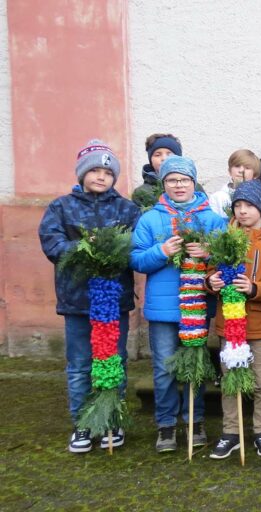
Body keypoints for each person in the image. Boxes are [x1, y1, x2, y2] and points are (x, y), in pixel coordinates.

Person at [39, 140, 140, 453]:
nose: (101, 176)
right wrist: (85, 249)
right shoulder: (61, 207)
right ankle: (82, 424)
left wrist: (114, 251)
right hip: (77, 301)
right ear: (82, 173)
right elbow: (52, 244)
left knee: (113, 362)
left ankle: (111, 419)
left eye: (107, 173)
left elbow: (136, 247)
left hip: (113, 302)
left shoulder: (127, 209)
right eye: (95, 170)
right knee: (81, 365)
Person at [130, 155, 227, 452]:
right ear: (164, 184)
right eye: (172, 180)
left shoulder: (212, 219)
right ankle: (166, 424)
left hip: (196, 306)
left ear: (193, 182)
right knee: (164, 369)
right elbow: (136, 259)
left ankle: (195, 420)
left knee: (195, 365)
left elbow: (229, 258)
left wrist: (209, 252)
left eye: (184, 179)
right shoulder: (150, 219)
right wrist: (161, 251)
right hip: (162, 310)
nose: (179, 185)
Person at [207, 180, 261, 458]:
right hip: (229, 324)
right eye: (238, 206)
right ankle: (231, 432)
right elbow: (210, 272)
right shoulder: (224, 238)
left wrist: (255, 288)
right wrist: (211, 282)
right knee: (230, 379)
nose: (242, 211)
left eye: (249, 205)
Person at [208, 149, 261, 219]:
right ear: (230, 171)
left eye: (247, 168)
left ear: (255, 174)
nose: (241, 170)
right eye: (237, 166)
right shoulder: (217, 197)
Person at [132, 133, 183, 208]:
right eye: (157, 155)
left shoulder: (193, 187)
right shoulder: (142, 193)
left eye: (169, 154)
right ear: (151, 160)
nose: (164, 158)